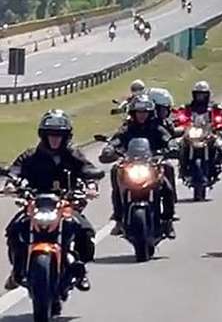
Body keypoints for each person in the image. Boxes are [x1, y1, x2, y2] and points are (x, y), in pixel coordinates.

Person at [4, 110, 104, 293]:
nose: (55, 139)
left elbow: (88, 170)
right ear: (44, 135)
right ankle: (17, 270)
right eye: (52, 135)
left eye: (60, 135)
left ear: (66, 136)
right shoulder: (31, 155)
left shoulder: (73, 155)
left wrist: (90, 186)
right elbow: (15, 170)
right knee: (14, 230)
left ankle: (80, 271)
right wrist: (11, 184)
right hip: (35, 203)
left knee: (84, 230)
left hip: (65, 204)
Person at [100, 96, 177, 239]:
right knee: (115, 171)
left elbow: (167, 138)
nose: (142, 115)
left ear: (150, 113)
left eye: (145, 112)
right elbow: (117, 139)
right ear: (133, 113)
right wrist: (110, 148)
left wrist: (171, 146)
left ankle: (168, 220)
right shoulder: (127, 128)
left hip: (152, 164)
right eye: (139, 112)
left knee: (166, 184)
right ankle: (118, 219)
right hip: (131, 164)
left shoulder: (156, 127)